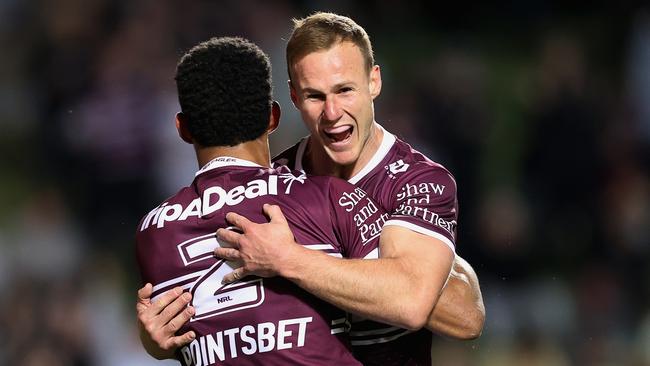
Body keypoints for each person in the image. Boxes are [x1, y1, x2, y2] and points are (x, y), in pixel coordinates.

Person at [138, 12, 485, 365]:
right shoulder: (276, 183)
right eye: (315, 96)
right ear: (292, 99)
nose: (332, 112)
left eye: (345, 90)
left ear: (374, 82)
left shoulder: (416, 180)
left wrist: (292, 259)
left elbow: (462, 315)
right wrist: (159, 339)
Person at [136, 36, 387, 365]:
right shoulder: (328, 197)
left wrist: (152, 344)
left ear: (183, 128)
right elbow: (404, 301)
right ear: (273, 117)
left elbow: (176, 336)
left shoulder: (154, 233)